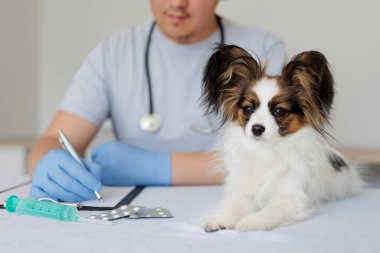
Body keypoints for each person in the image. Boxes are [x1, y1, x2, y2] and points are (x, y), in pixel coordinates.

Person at [27, 0, 285, 202]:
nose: (177, 3)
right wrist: (51, 165)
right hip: (131, 215)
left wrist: (157, 167)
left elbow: (281, 158)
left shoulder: (261, 49)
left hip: (235, 205)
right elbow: (51, 141)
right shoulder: (113, 52)